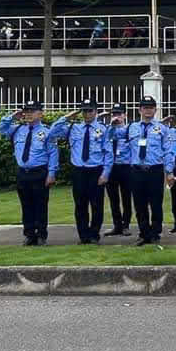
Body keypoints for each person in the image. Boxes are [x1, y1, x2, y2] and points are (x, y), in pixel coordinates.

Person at [48, 99, 113, 244]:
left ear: (95, 111)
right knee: (80, 205)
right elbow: (52, 133)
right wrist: (67, 117)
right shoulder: (73, 128)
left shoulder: (103, 129)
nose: (87, 114)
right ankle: (83, 236)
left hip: (96, 171)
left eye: (90, 110)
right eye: (84, 111)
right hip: (79, 171)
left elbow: (108, 153)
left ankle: (94, 234)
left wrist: (105, 173)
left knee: (96, 205)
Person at [0, 100, 58, 246]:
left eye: (32, 111)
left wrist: (51, 173)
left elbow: (53, 153)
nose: (29, 114)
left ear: (41, 113)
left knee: (41, 205)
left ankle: (41, 235)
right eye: (26, 111)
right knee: (26, 205)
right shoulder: (17, 129)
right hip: (23, 173)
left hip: (40, 172)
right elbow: (1, 128)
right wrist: (12, 116)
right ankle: (29, 235)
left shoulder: (47, 132)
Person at [125, 95, 169, 246]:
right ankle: (143, 234)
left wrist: (169, 171)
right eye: (145, 108)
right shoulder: (131, 127)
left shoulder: (162, 128)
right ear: (139, 110)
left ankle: (155, 233)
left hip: (154, 170)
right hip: (137, 170)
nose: (148, 111)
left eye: (150, 108)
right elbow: (120, 143)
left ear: (155, 110)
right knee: (139, 204)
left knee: (156, 203)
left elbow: (168, 150)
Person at [104, 103, 133, 237]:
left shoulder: (129, 129)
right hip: (112, 167)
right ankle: (117, 225)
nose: (116, 116)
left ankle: (126, 225)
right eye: (114, 114)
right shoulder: (108, 129)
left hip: (126, 167)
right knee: (113, 198)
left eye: (119, 114)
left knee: (126, 197)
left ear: (124, 115)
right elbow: (106, 139)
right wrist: (112, 126)